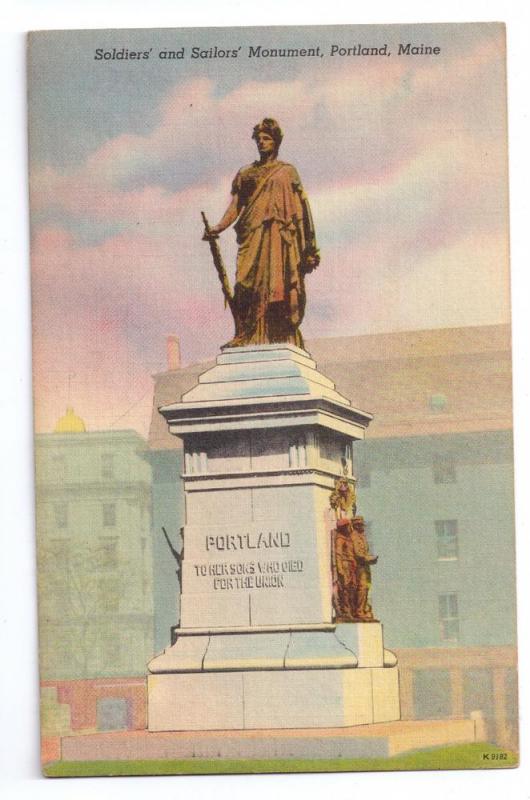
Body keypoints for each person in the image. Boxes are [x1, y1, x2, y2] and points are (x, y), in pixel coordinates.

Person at [207, 118, 320, 348]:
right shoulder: (247, 173)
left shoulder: (287, 172)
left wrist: (308, 245)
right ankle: (246, 334)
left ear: (276, 142)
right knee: (244, 283)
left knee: (278, 286)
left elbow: (303, 209)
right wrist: (218, 227)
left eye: (266, 139)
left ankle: (279, 334)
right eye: (258, 139)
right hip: (253, 235)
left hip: (279, 238)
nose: (261, 143)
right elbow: (236, 206)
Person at [350, 516, 378, 621]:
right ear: (356, 525)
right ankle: (359, 611)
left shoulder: (362, 537)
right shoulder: (354, 537)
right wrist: (368, 558)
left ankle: (363, 609)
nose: (362, 527)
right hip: (358, 567)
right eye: (360, 525)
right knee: (361, 588)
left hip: (365, 566)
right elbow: (358, 554)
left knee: (366, 587)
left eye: (362, 524)